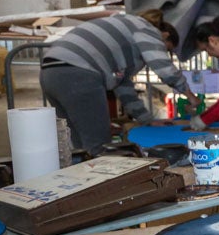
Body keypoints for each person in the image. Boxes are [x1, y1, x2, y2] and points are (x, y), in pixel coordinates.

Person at [40, 9, 191, 153]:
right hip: (78, 75)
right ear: (164, 35)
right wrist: (191, 96)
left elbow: (123, 86)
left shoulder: (125, 30)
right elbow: (164, 67)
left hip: (50, 73)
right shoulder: (146, 29)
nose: (164, 51)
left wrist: (147, 120)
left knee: (80, 145)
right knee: (98, 147)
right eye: (167, 49)